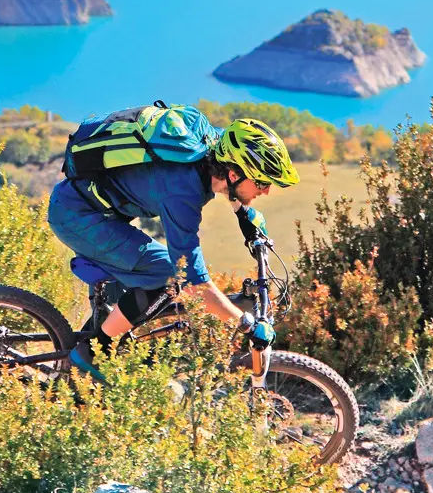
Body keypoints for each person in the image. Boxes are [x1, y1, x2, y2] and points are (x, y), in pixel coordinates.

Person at [47, 116, 298, 377]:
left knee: (133, 291)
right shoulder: (182, 192)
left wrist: (244, 214)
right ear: (234, 174)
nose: (266, 191)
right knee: (168, 276)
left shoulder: (215, 148)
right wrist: (244, 324)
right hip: (78, 217)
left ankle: (78, 364)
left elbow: (230, 183)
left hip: (94, 207)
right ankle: (92, 353)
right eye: (262, 183)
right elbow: (194, 284)